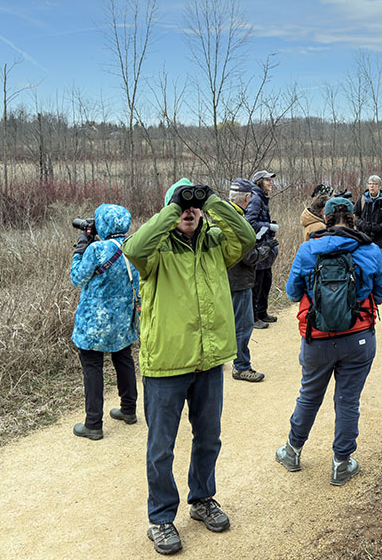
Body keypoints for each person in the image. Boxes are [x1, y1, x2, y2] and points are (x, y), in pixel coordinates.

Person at [123, 178, 256, 556]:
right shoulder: (155, 251)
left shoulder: (216, 244)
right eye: (182, 208)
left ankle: (202, 500)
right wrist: (174, 206)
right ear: (168, 212)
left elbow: (245, 238)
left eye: (194, 208)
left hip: (208, 360)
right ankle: (161, 519)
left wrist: (211, 201)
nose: (189, 212)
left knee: (209, 437)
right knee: (161, 447)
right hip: (165, 364)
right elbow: (133, 248)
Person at [276, 196, 382, 486]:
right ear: (353, 218)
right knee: (348, 401)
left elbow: (291, 293)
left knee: (309, 396)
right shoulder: (370, 249)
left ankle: (293, 451)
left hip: (317, 339)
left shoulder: (308, 250)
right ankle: (341, 463)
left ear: (325, 218)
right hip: (359, 338)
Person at [69, 203, 140, 440]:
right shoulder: (134, 246)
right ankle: (129, 410)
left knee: (92, 367)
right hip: (122, 318)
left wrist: (80, 249)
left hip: (94, 322)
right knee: (124, 359)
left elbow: (77, 278)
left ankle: (93, 424)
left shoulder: (96, 250)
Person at [228, 178, 278, 382]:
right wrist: (265, 249)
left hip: (226, 278)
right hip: (239, 279)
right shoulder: (238, 221)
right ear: (247, 198)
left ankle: (225, 359)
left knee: (228, 322)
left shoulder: (225, 216)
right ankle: (241, 366)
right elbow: (248, 257)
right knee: (243, 324)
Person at [246, 169, 279, 327]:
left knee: (266, 280)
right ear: (259, 182)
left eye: (271, 180)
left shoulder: (262, 198)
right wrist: (269, 226)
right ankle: (253, 318)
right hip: (258, 248)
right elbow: (250, 223)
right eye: (267, 180)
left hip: (265, 247)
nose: (271, 183)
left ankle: (262, 313)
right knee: (257, 284)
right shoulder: (256, 198)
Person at [353, 175, 382, 249]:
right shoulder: (362, 199)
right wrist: (362, 224)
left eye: (374, 184)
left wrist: (380, 227)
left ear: (379, 186)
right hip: (363, 238)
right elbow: (354, 215)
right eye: (370, 184)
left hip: (379, 240)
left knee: (376, 260)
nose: (372, 186)